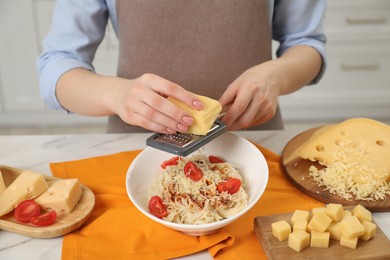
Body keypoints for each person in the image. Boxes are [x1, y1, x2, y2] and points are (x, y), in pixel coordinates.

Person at [37, 0, 327, 134]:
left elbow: (307, 43)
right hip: (136, 152)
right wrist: (116, 93)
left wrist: (275, 76)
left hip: (254, 142)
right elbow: (56, 68)